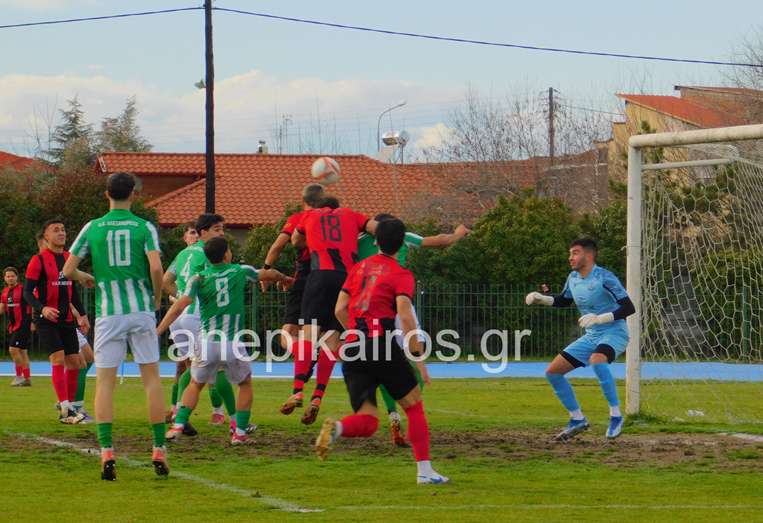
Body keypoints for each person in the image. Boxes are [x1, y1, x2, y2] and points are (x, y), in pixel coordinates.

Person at [315, 218, 448, 484]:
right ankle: (424, 472)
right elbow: (405, 316)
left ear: (376, 241)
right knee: (414, 407)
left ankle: (337, 428)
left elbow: (340, 309)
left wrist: (356, 333)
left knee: (368, 421)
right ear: (402, 244)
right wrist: (419, 359)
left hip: (354, 348)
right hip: (382, 344)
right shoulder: (401, 274)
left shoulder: (358, 268)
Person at [64, 172, 169, 481]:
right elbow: (156, 267)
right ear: (133, 194)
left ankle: (107, 452)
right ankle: (158, 448)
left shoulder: (92, 227)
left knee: (105, 383)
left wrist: (84, 277)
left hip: (109, 313)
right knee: (151, 380)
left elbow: (67, 270)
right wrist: (156, 297)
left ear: (106, 194)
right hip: (140, 310)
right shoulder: (144, 227)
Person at [158, 237, 293, 444]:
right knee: (245, 384)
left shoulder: (198, 278)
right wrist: (283, 278)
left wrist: (159, 330)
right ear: (226, 254)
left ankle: (178, 425)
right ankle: (239, 433)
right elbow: (268, 274)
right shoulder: (239, 271)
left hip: (206, 342)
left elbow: (180, 305)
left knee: (195, 384)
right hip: (232, 342)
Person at [358, 214, 470, 446]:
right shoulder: (400, 237)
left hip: (370, 309)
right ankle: (412, 415)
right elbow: (440, 241)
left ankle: (393, 414)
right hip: (398, 302)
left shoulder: (357, 241)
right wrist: (459, 233)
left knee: (381, 363)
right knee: (415, 358)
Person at [525, 238, 635, 441]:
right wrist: (542, 299)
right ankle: (577, 419)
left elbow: (629, 307)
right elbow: (564, 301)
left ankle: (616, 416)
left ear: (589, 254)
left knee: (596, 360)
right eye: (570, 253)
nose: (570, 257)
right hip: (592, 335)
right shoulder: (573, 277)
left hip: (614, 332)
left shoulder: (604, 277)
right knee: (553, 372)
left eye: (575, 253)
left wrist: (600, 318)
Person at [281, 196, 378, 425]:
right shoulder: (351, 215)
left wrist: (312, 237)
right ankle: (317, 397)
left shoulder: (310, 215)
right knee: (332, 341)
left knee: (309, 334)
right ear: (338, 207)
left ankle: (297, 391)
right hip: (347, 279)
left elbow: (295, 240)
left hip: (320, 276)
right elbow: (376, 228)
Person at [163, 215, 239, 433]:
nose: (221, 233)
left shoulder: (183, 253)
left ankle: (179, 414)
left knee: (192, 368)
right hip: (197, 315)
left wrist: (180, 296)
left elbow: (165, 281)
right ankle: (234, 421)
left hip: (179, 316)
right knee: (219, 368)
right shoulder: (209, 252)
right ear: (203, 232)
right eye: (217, 229)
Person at [24, 218, 90, 424]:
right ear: (46, 236)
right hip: (46, 319)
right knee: (58, 359)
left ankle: (69, 408)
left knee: (75, 362)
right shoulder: (38, 260)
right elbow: (27, 292)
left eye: (63, 229)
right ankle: (65, 410)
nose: (61, 233)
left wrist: (82, 314)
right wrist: (42, 308)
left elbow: (73, 291)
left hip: (67, 319)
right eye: (56, 230)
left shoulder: (70, 258)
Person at [261, 184, 325, 351]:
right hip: (331, 274)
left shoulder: (299, 218)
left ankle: (306, 354)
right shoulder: (332, 219)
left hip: (306, 275)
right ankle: (313, 354)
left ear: (303, 200)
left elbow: (278, 246)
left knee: (288, 333)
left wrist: (266, 269)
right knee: (321, 330)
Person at [0, 267, 32, 386]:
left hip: (23, 323)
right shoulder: (4, 292)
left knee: (13, 349)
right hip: (13, 326)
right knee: (22, 352)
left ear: (17, 277)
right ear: (4, 278)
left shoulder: (23, 290)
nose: (10, 278)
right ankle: (27, 379)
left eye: (12, 276)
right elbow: (2, 308)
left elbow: (33, 304)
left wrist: (33, 321)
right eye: (8, 276)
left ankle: (19, 377)